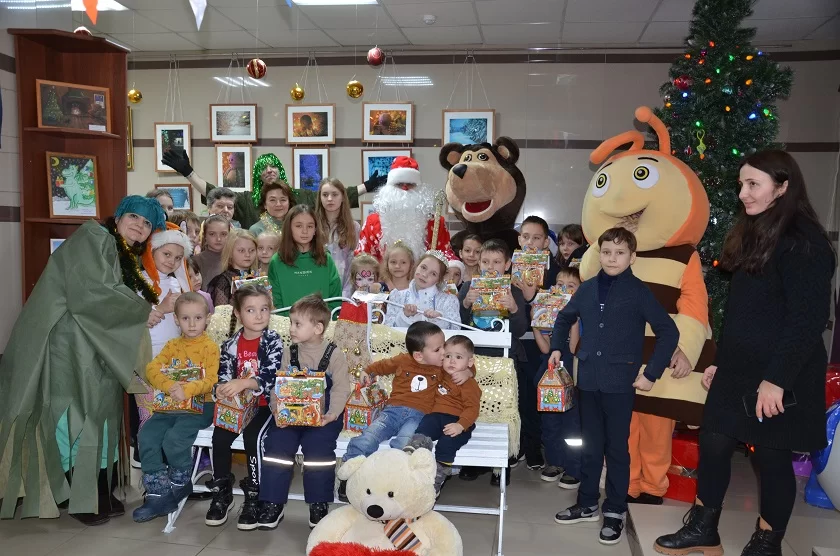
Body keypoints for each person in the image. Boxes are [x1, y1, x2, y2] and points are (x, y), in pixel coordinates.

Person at [654, 151, 835, 556]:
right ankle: (704, 528)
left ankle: (767, 542)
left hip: (782, 371)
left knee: (771, 454)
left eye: (754, 184)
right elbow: (741, 313)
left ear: (783, 187)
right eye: (742, 184)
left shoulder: (805, 243)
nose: (743, 193)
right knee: (714, 440)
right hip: (740, 366)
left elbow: (807, 322)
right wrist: (721, 361)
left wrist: (776, 380)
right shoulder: (754, 232)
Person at [0, 195, 166, 522]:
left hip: (94, 343)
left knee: (97, 415)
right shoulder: (93, 237)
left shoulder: (119, 252)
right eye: (133, 216)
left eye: (147, 223)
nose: (139, 225)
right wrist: (140, 311)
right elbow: (93, 291)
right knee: (71, 418)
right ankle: (75, 495)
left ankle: (97, 490)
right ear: (118, 217)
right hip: (66, 344)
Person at [551, 227, 679, 546]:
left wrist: (651, 373)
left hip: (621, 383)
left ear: (632, 257)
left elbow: (668, 332)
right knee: (590, 446)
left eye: (619, 253)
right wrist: (556, 347)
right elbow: (564, 318)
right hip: (588, 380)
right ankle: (587, 503)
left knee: (617, 449)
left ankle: (615, 509)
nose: (612, 258)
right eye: (606, 252)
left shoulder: (639, 292)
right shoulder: (587, 288)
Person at [337, 322, 471, 501]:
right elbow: (382, 366)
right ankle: (350, 475)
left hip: (418, 416)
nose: (444, 353)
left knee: (404, 444)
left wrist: (468, 372)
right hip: (391, 412)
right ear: (419, 355)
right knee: (368, 437)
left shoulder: (443, 368)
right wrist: (367, 371)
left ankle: (395, 484)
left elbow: (463, 365)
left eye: (443, 346)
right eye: (438, 349)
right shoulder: (403, 360)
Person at [258, 294, 352, 530]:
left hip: (324, 415)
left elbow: (341, 388)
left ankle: (318, 502)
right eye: (291, 323)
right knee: (277, 445)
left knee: (318, 448)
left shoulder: (334, 354)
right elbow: (279, 385)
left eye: (297, 324)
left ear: (318, 328)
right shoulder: (289, 352)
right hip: (290, 412)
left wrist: (332, 414)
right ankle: (273, 501)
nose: (291, 328)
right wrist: (276, 410)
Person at [133, 292, 219, 523]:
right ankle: (158, 493)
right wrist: (170, 386)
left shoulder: (210, 347)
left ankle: (180, 482)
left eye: (198, 318)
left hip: (201, 406)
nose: (192, 324)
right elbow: (152, 369)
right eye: (185, 318)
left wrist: (187, 389)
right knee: (147, 435)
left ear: (207, 318)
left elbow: (211, 379)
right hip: (169, 406)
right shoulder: (172, 345)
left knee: (174, 438)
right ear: (176, 319)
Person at [206, 285, 282, 530]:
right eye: (251, 310)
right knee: (219, 437)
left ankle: (255, 494)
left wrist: (246, 383)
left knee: (253, 438)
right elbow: (223, 376)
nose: (259, 315)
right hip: (237, 408)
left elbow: (273, 376)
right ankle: (222, 492)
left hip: (264, 405)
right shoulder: (230, 345)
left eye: (264, 309)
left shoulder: (273, 341)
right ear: (238, 313)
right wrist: (221, 389)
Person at [457, 239, 529, 484]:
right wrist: (466, 304)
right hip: (475, 359)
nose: (491, 267)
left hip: (504, 360)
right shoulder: (468, 287)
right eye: (485, 261)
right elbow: (458, 325)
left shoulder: (513, 290)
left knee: (503, 409)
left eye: (497, 262)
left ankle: (502, 465)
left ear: (507, 265)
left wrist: (514, 309)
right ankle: (473, 461)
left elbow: (521, 329)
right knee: (472, 406)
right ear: (478, 263)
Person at [162, 150, 384, 230]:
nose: (268, 170)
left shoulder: (300, 196)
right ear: (257, 174)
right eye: (263, 167)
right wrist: (188, 172)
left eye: (273, 166)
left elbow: (331, 197)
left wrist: (366, 186)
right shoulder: (247, 200)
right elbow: (214, 193)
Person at [134, 227, 194, 436]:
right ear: (152, 251)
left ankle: (167, 452)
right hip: (145, 360)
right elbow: (133, 321)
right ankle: (146, 452)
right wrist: (161, 308)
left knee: (171, 414)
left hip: (172, 362)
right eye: (166, 254)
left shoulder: (176, 283)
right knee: (149, 415)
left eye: (178, 258)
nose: (171, 261)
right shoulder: (138, 282)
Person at [406, 335, 482, 496]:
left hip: (458, 421)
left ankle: (439, 476)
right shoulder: (439, 372)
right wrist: (469, 370)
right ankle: (415, 450)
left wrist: (461, 425)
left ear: (469, 362)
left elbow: (472, 408)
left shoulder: (468, 384)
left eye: (458, 357)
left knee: (447, 443)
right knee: (426, 424)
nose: (452, 361)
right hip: (437, 416)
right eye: (448, 356)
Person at [533, 266, 583, 488]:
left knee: (572, 424)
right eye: (560, 285)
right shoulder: (548, 315)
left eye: (571, 286)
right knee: (550, 421)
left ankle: (573, 467)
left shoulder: (581, 316)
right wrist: (536, 322)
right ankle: (554, 463)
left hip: (570, 373)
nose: (564, 290)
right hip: (549, 374)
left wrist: (572, 321)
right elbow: (545, 349)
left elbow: (572, 348)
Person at [356, 156, 454, 262]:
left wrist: (452, 265)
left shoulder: (436, 223)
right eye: (399, 184)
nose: (404, 189)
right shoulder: (372, 223)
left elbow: (446, 256)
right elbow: (362, 259)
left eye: (410, 184)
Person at [268, 205, 342, 313]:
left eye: (310, 226)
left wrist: (323, 320)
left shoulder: (326, 259)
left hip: (322, 322)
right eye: (298, 226)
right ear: (289, 228)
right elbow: (275, 301)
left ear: (315, 229)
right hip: (288, 322)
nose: (305, 231)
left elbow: (336, 297)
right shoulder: (277, 261)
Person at [383, 250, 461, 330]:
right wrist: (404, 316)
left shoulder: (449, 301)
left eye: (433, 274)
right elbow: (388, 330)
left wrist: (439, 320)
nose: (425, 275)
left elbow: (456, 330)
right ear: (416, 266)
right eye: (423, 267)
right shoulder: (397, 296)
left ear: (439, 280)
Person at [316, 177, 360, 295]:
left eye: (335, 194)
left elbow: (354, 265)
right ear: (320, 198)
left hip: (345, 290)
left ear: (343, 197)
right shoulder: (313, 226)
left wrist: (346, 295)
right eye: (325, 195)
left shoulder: (354, 227)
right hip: (318, 291)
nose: (330, 199)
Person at [206, 229, 258, 308]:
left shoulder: (258, 277)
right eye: (241, 250)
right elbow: (222, 313)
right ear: (230, 253)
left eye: (252, 250)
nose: (247, 254)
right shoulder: (223, 281)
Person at [194, 214, 231, 291]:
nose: (218, 239)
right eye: (212, 234)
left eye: (223, 234)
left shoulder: (235, 258)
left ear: (229, 235)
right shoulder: (195, 261)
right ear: (204, 236)